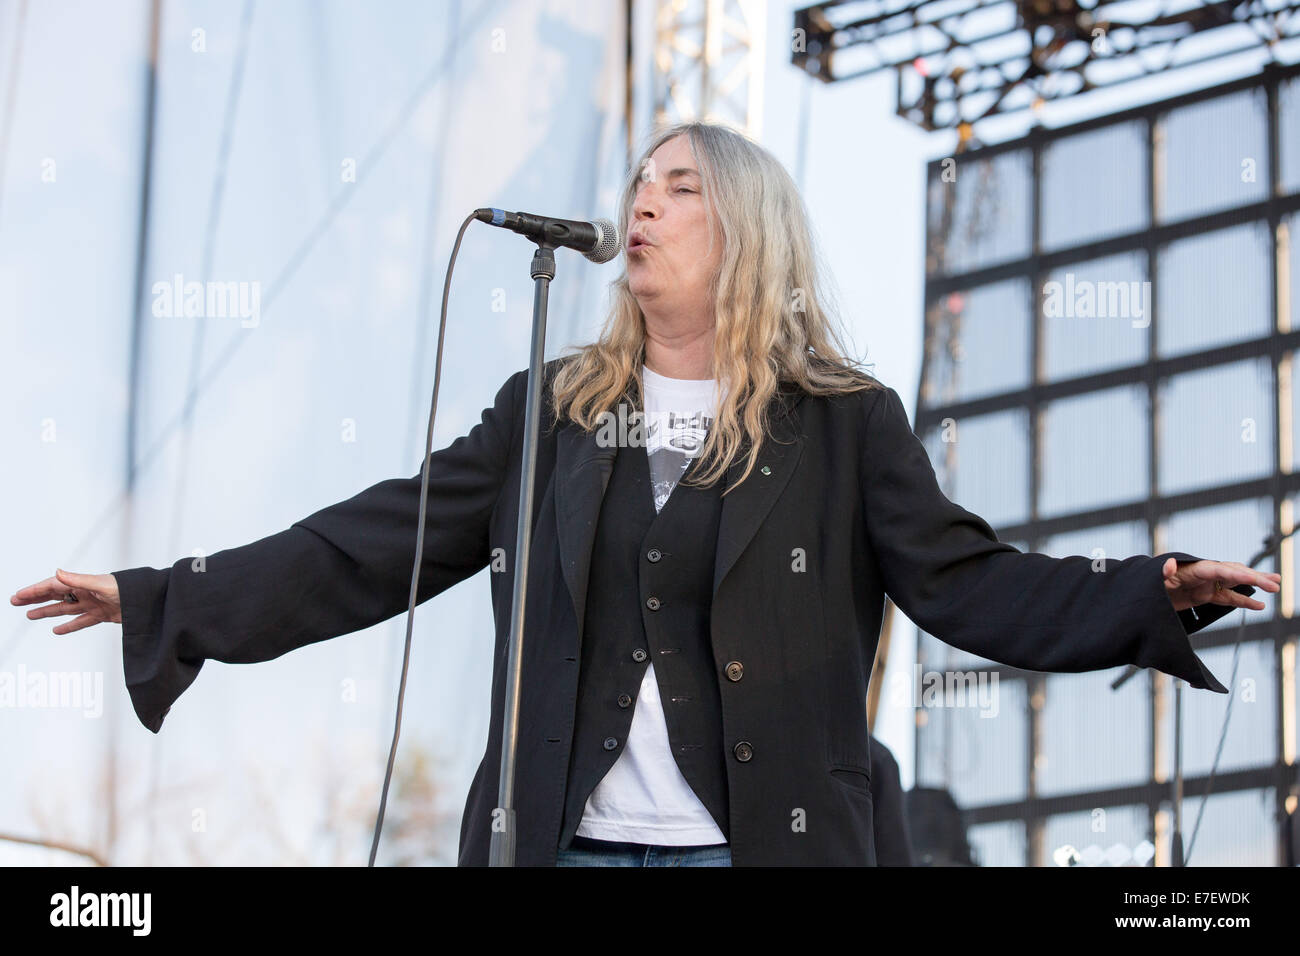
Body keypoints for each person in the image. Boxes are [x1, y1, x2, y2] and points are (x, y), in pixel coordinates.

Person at [11, 122, 1280, 867]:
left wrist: (1143, 592)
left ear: (745, 230)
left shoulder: (841, 422)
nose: (643, 202)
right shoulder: (551, 414)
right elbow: (370, 542)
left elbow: (971, 579)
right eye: (640, 181)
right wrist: (163, 595)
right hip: (561, 848)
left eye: (680, 186)